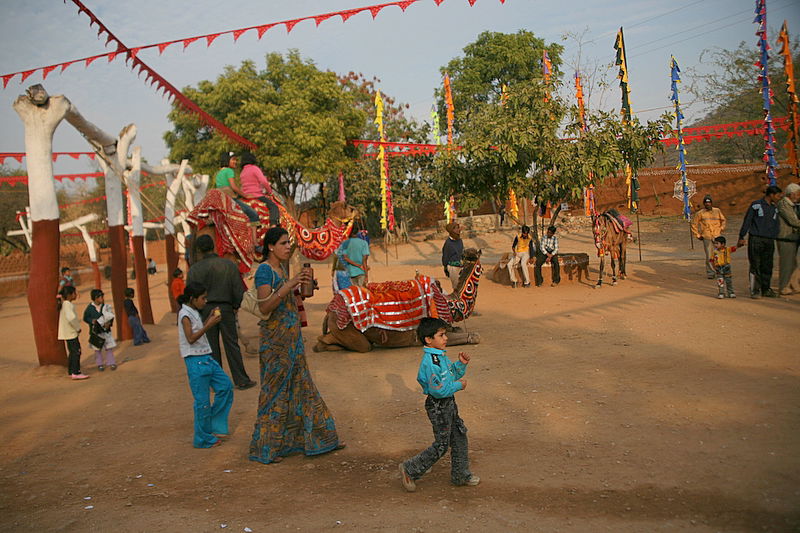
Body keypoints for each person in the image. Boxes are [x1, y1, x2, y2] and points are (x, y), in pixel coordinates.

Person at [249, 227, 345, 464]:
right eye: (282, 243)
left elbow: (286, 300)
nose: (286, 247)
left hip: (291, 342)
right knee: (274, 394)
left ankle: (320, 440)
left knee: (303, 389)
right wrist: (290, 283)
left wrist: (304, 290)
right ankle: (265, 449)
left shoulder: (280, 269)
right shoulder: (264, 271)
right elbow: (264, 307)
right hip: (276, 344)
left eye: (287, 243)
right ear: (270, 246)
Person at [398, 317, 479, 492]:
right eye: (441, 335)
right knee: (442, 445)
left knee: (458, 435)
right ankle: (410, 469)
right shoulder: (431, 363)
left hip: (447, 403)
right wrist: (460, 385)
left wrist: (460, 365)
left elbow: (450, 375)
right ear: (428, 339)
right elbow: (440, 390)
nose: (446, 338)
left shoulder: (440, 358)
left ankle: (460, 474)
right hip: (439, 405)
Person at [187, 235, 256, 390]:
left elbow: (190, 295)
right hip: (226, 308)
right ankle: (241, 380)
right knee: (232, 345)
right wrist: (235, 306)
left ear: (199, 250)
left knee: (211, 347)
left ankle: (217, 383)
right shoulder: (229, 265)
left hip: (204, 311)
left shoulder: (194, 270)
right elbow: (238, 289)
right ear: (214, 246)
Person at [177, 281, 233, 449]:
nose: (205, 301)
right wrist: (210, 325)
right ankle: (202, 438)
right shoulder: (184, 315)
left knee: (225, 386)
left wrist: (209, 319)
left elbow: (197, 331)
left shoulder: (193, 311)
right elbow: (191, 338)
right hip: (195, 361)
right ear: (193, 298)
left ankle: (213, 425)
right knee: (202, 402)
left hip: (206, 358)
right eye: (202, 298)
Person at [737, 185, 782, 299]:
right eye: (777, 195)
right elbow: (747, 221)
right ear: (771, 195)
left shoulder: (775, 208)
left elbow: (776, 225)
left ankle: (766, 289)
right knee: (755, 265)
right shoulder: (756, 205)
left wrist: (776, 237)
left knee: (767, 265)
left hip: (769, 240)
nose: (778, 198)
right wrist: (742, 236)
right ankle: (755, 290)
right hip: (756, 239)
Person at [214, 151, 260, 224]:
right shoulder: (229, 171)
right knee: (253, 214)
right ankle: (254, 235)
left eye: (236, 160)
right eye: (233, 160)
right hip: (230, 199)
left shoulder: (218, 173)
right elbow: (233, 187)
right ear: (227, 160)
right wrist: (245, 196)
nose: (235, 162)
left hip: (221, 200)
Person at [239, 152, 281, 227]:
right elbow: (264, 181)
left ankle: (254, 226)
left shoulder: (242, 172)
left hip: (245, 196)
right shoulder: (255, 168)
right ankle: (273, 225)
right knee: (273, 206)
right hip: (257, 195)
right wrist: (270, 192)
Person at [691, 194, 727, 279]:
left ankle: (720, 271)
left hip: (717, 236)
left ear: (711, 203)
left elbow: (723, 220)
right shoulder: (700, 213)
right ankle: (711, 273)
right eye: (706, 203)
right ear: (704, 204)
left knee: (720, 254)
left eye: (709, 202)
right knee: (709, 256)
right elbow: (694, 224)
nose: (708, 204)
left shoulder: (717, 211)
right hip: (707, 237)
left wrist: (721, 228)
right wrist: (697, 235)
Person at [57, 285, 89, 380]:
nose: (76, 295)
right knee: (76, 351)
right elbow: (71, 318)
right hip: (71, 333)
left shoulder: (65, 304)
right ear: (70, 295)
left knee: (72, 351)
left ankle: (71, 370)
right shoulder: (68, 305)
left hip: (67, 333)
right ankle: (76, 372)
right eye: (74, 293)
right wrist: (78, 327)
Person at [83, 289, 117, 371]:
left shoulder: (106, 307)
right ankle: (100, 364)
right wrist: (92, 321)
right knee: (97, 349)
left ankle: (111, 363)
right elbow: (85, 318)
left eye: (102, 296)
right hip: (96, 332)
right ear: (95, 298)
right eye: (100, 297)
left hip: (106, 330)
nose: (102, 298)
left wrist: (109, 323)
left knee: (109, 347)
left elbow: (111, 315)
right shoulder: (89, 308)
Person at [776, 182, 800, 295]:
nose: (799, 196)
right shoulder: (784, 204)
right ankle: (783, 287)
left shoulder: (791, 205)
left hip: (792, 238)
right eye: (798, 194)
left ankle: (793, 285)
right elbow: (793, 221)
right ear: (792, 194)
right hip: (785, 238)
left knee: (793, 264)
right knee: (786, 264)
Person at [441, 221, 464, 292]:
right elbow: (445, 257)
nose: (458, 230)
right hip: (453, 267)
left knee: (464, 286)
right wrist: (445, 268)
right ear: (452, 231)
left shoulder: (459, 241)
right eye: (456, 229)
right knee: (457, 287)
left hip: (462, 266)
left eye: (458, 228)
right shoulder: (448, 244)